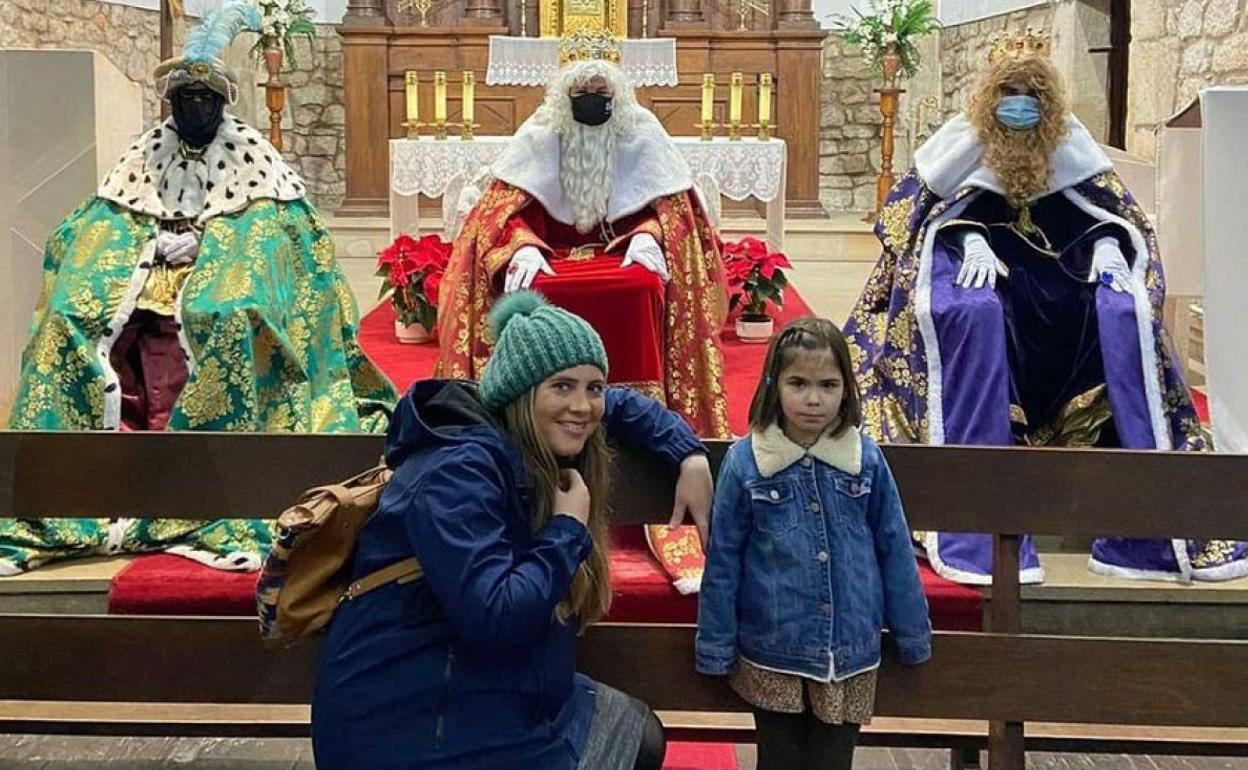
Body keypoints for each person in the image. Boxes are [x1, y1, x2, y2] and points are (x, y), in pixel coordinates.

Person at [0, 1, 395, 575]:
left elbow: (270, 243)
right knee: (67, 319)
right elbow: (93, 232)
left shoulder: (256, 166)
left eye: (205, 100)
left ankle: (213, 488)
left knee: (234, 312)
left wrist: (207, 250)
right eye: (183, 100)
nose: (194, 109)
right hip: (141, 284)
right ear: (170, 105)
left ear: (221, 105)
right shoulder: (142, 159)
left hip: (212, 285)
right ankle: (65, 491)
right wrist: (148, 249)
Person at [842, 29, 1247, 584]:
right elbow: (906, 220)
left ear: (1049, 102)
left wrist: (1108, 244)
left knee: (1123, 313)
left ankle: (1147, 526)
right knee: (972, 312)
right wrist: (965, 235)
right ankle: (979, 517)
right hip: (976, 267)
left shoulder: (1070, 144)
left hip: (1059, 273)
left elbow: (1112, 212)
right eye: (1009, 93)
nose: (1021, 107)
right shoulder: (960, 143)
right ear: (990, 98)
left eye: (1032, 95)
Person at [312, 291, 715, 770]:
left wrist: (687, 452)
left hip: (468, 687)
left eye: (593, 387)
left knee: (637, 730)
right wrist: (566, 527)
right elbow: (495, 620)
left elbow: (614, 403)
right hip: (409, 721)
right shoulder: (457, 471)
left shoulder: (508, 434)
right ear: (520, 394)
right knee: (635, 736)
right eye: (562, 387)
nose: (583, 406)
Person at [435, 50, 729, 438]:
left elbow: (674, 213)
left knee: (641, 286)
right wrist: (521, 245)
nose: (591, 97)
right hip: (549, 255)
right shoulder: (541, 133)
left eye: (600, 90)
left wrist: (648, 235)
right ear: (564, 95)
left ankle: (641, 406)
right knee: (536, 288)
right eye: (582, 90)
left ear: (617, 96)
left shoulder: (642, 132)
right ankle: (534, 406)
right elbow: (501, 212)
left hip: (621, 253)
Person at [696, 318, 931, 770]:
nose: (813, 398)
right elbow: (724, 559)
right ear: (773, 385)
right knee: (779, 759)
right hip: (772, 649)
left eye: (828, 384)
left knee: (832, 761)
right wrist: (716, 645)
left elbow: (894, 547)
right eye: (798, 383)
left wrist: (911, 634)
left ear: (847, 389)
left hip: (849, 650)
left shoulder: (865, 461)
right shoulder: (747, 462)